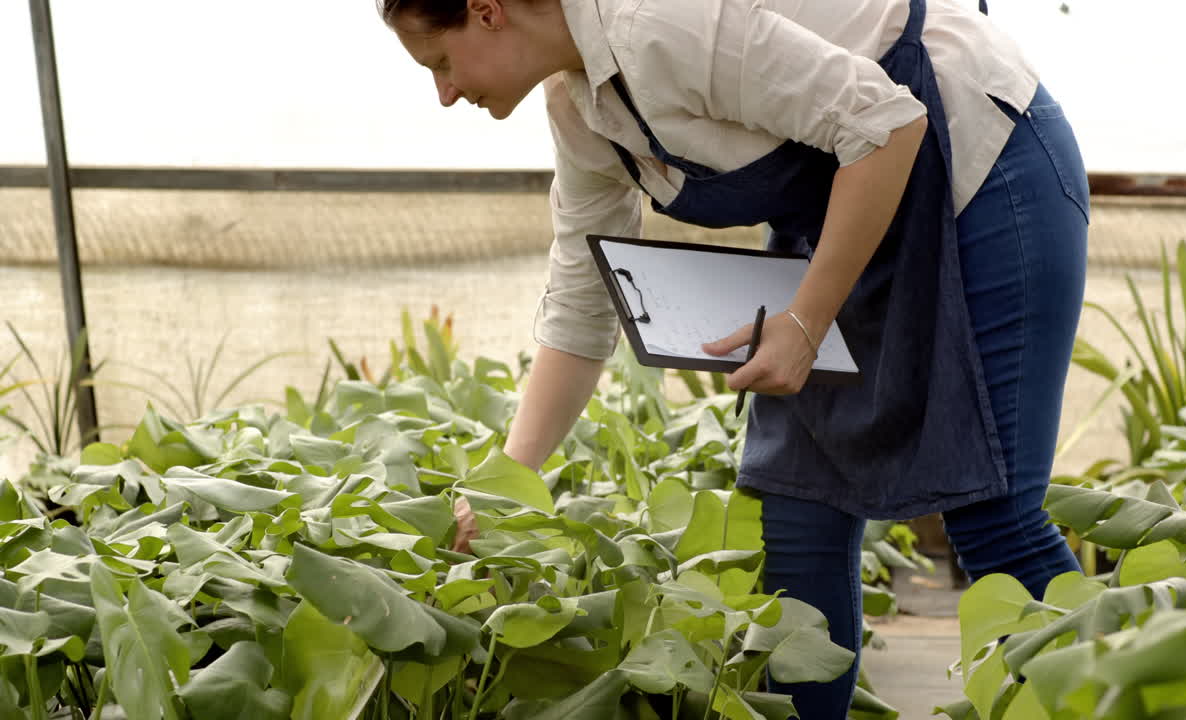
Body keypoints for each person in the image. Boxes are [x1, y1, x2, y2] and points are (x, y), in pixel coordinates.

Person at [378, 0, 1089, 715]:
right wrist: (510, 481)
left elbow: (888, 123)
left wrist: (807, 322)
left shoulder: (651, 23)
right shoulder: (580, 107)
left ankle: (1128, 690)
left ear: (487, 11)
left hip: (979, 165)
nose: (444, 93)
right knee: (797, 510)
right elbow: (581, 300)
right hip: (850, 209)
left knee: (994, 516)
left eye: (441, 62)